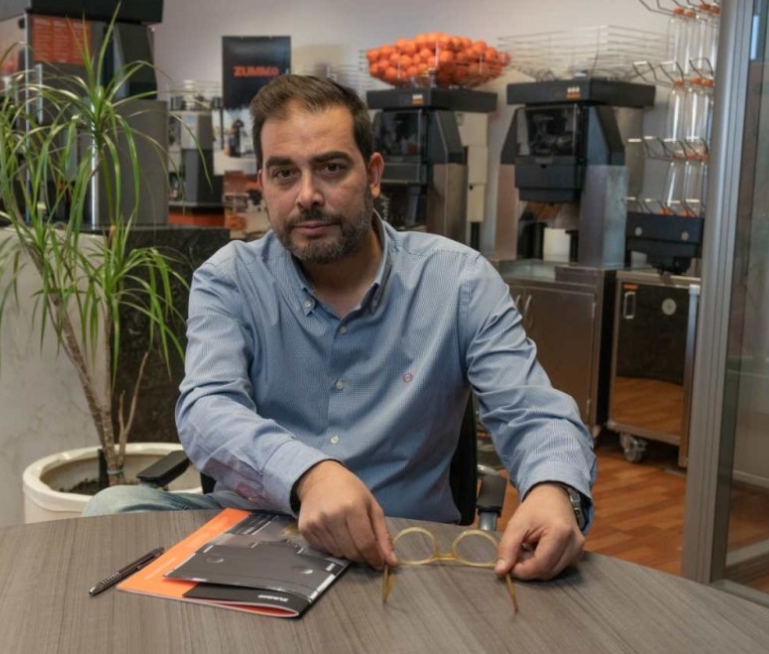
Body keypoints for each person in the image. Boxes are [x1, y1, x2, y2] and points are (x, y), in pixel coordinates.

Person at [84, 75, 596, 582]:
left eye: (330, 168)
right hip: (258, 533)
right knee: (112, 509)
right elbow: (206, 409)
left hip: (401, 551)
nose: (307, 195)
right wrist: (307, 474)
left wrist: (554, 490)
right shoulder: (230, 279)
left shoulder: (457, 281)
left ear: (373, 174)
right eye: (284, 173)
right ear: (262, 183)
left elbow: (531, 409)